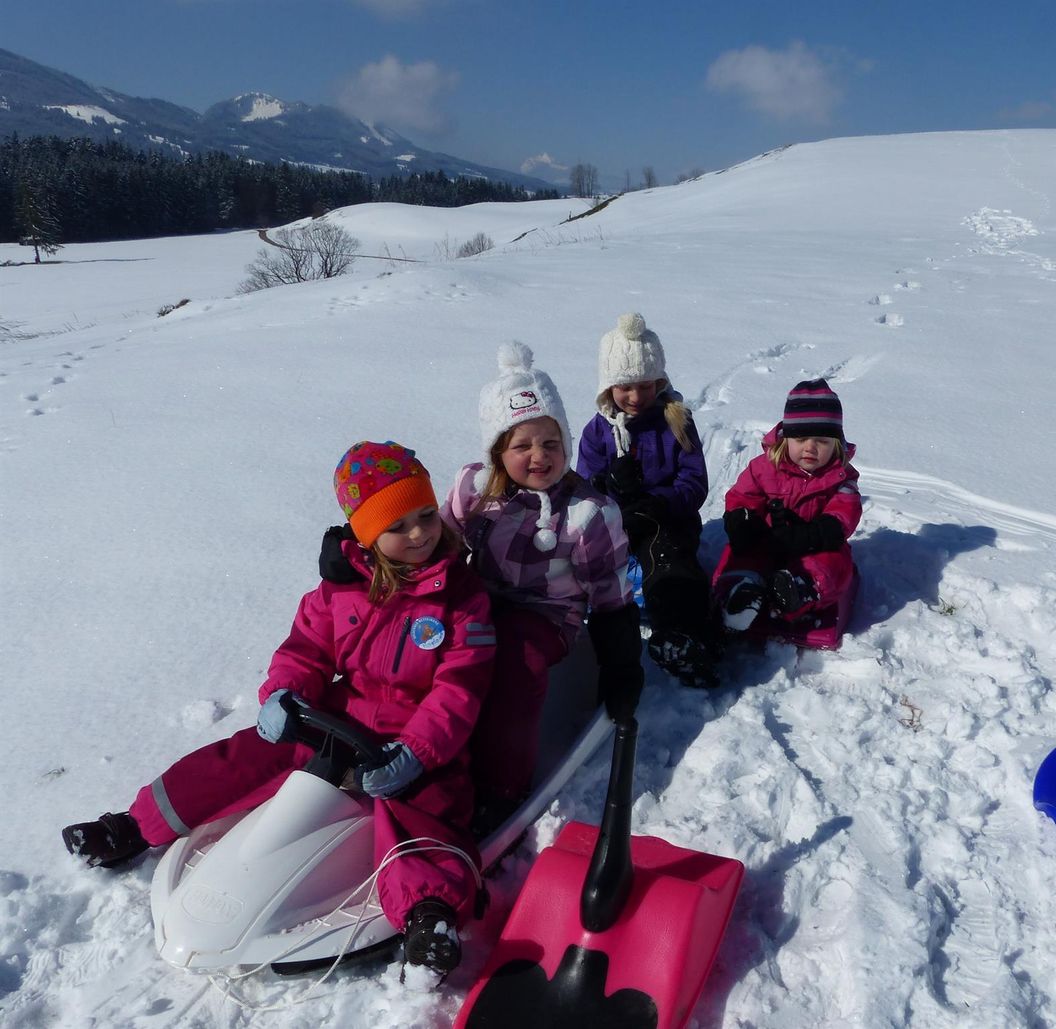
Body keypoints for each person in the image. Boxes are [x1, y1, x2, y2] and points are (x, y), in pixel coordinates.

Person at [61, 441, 495, 982]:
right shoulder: (342, 590)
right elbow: (307, 649)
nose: (419, 534)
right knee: (239, 759)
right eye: (398, 525)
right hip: (340, 716)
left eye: (426, 515)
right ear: (365, 535)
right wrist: (284, 694)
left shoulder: (461, 597)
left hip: (414, 736)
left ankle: (427, 914)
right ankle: (133, 825)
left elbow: (460, 688)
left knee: (423, 807)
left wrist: (417, 752)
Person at [438, 341, 643, 830]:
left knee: (513, 659)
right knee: (431, 640)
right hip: (480, 600)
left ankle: (502, 786)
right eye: (522, 445)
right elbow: (438, 544)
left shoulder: (587, 514)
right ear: (496, 451)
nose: (539, 456)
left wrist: (621, 666)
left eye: (551, 443)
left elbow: (611, 595)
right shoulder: (474, 491)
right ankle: (425, 746)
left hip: (548, 617)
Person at [576, 312, 717, 688]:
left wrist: (662, 503)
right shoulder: (597, 432)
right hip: (614, 522)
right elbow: (583, 490)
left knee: (668, 559)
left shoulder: (676, 421)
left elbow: (694, 480)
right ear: (608, 387)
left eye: (646, 385)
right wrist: (606, 484)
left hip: (665, 520)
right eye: (625, 387)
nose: (636, 397)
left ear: (659, 381)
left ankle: (682, 635)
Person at [713, 379, 861, 634]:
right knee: (739, 554)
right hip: (767, 540)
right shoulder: (763, 468)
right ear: (786, 438)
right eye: (801, 438)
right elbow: (742, 497)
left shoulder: (841, 477)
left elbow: (844, 513)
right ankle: (742, 594)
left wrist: (813, 534)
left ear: (836, 443)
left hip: (813, 547)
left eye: (822, 441)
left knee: (836, 564)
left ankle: (797, 590)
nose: (810, 448)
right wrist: (743, 520)